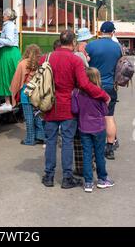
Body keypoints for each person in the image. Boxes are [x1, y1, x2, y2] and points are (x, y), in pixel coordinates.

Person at [39, 29, 110, 189]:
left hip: (49, 106)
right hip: (68, 107)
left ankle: (49, 176)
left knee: (50, 141)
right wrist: (103, 95)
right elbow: (84, 85)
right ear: (73, 43)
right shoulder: (75, 60)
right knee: (67, 141)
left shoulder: (46, 58)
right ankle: (66, 178)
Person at [72, 67, 114, 192]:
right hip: (98, 127)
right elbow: (105, 111)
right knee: (99, 154)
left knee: (87, 154)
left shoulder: (76, 93)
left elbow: (75, 110)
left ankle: (88, 182)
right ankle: (102, 179)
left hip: (84, 127)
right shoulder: (99, 93)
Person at [86, 21, 122, 160]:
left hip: (93, 86)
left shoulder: (91, 45)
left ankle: (94, 147)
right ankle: (110, 148)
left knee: (93, 117)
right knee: (109, 117)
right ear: (112, 32)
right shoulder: (117, 47)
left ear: (100, 31)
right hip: (110, 86)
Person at [10, 44, 46, 146]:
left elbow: (16, 81)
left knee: (29, 117)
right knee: (38, 115)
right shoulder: (41, 63)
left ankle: (30, 139)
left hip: (26, 92)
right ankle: (41, 136)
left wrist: (13, 93)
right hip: (37, 92)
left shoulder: (22, 64)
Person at [0, 8, 21, 113]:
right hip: (11, 52)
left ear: (8, 16)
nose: (2, 16)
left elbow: (9, 41)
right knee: (12, 77)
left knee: (5, 76)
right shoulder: (11, 25)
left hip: (8, 54)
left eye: (4, 15)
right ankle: (12, 102)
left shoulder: (8, 26)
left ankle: (8, 103)